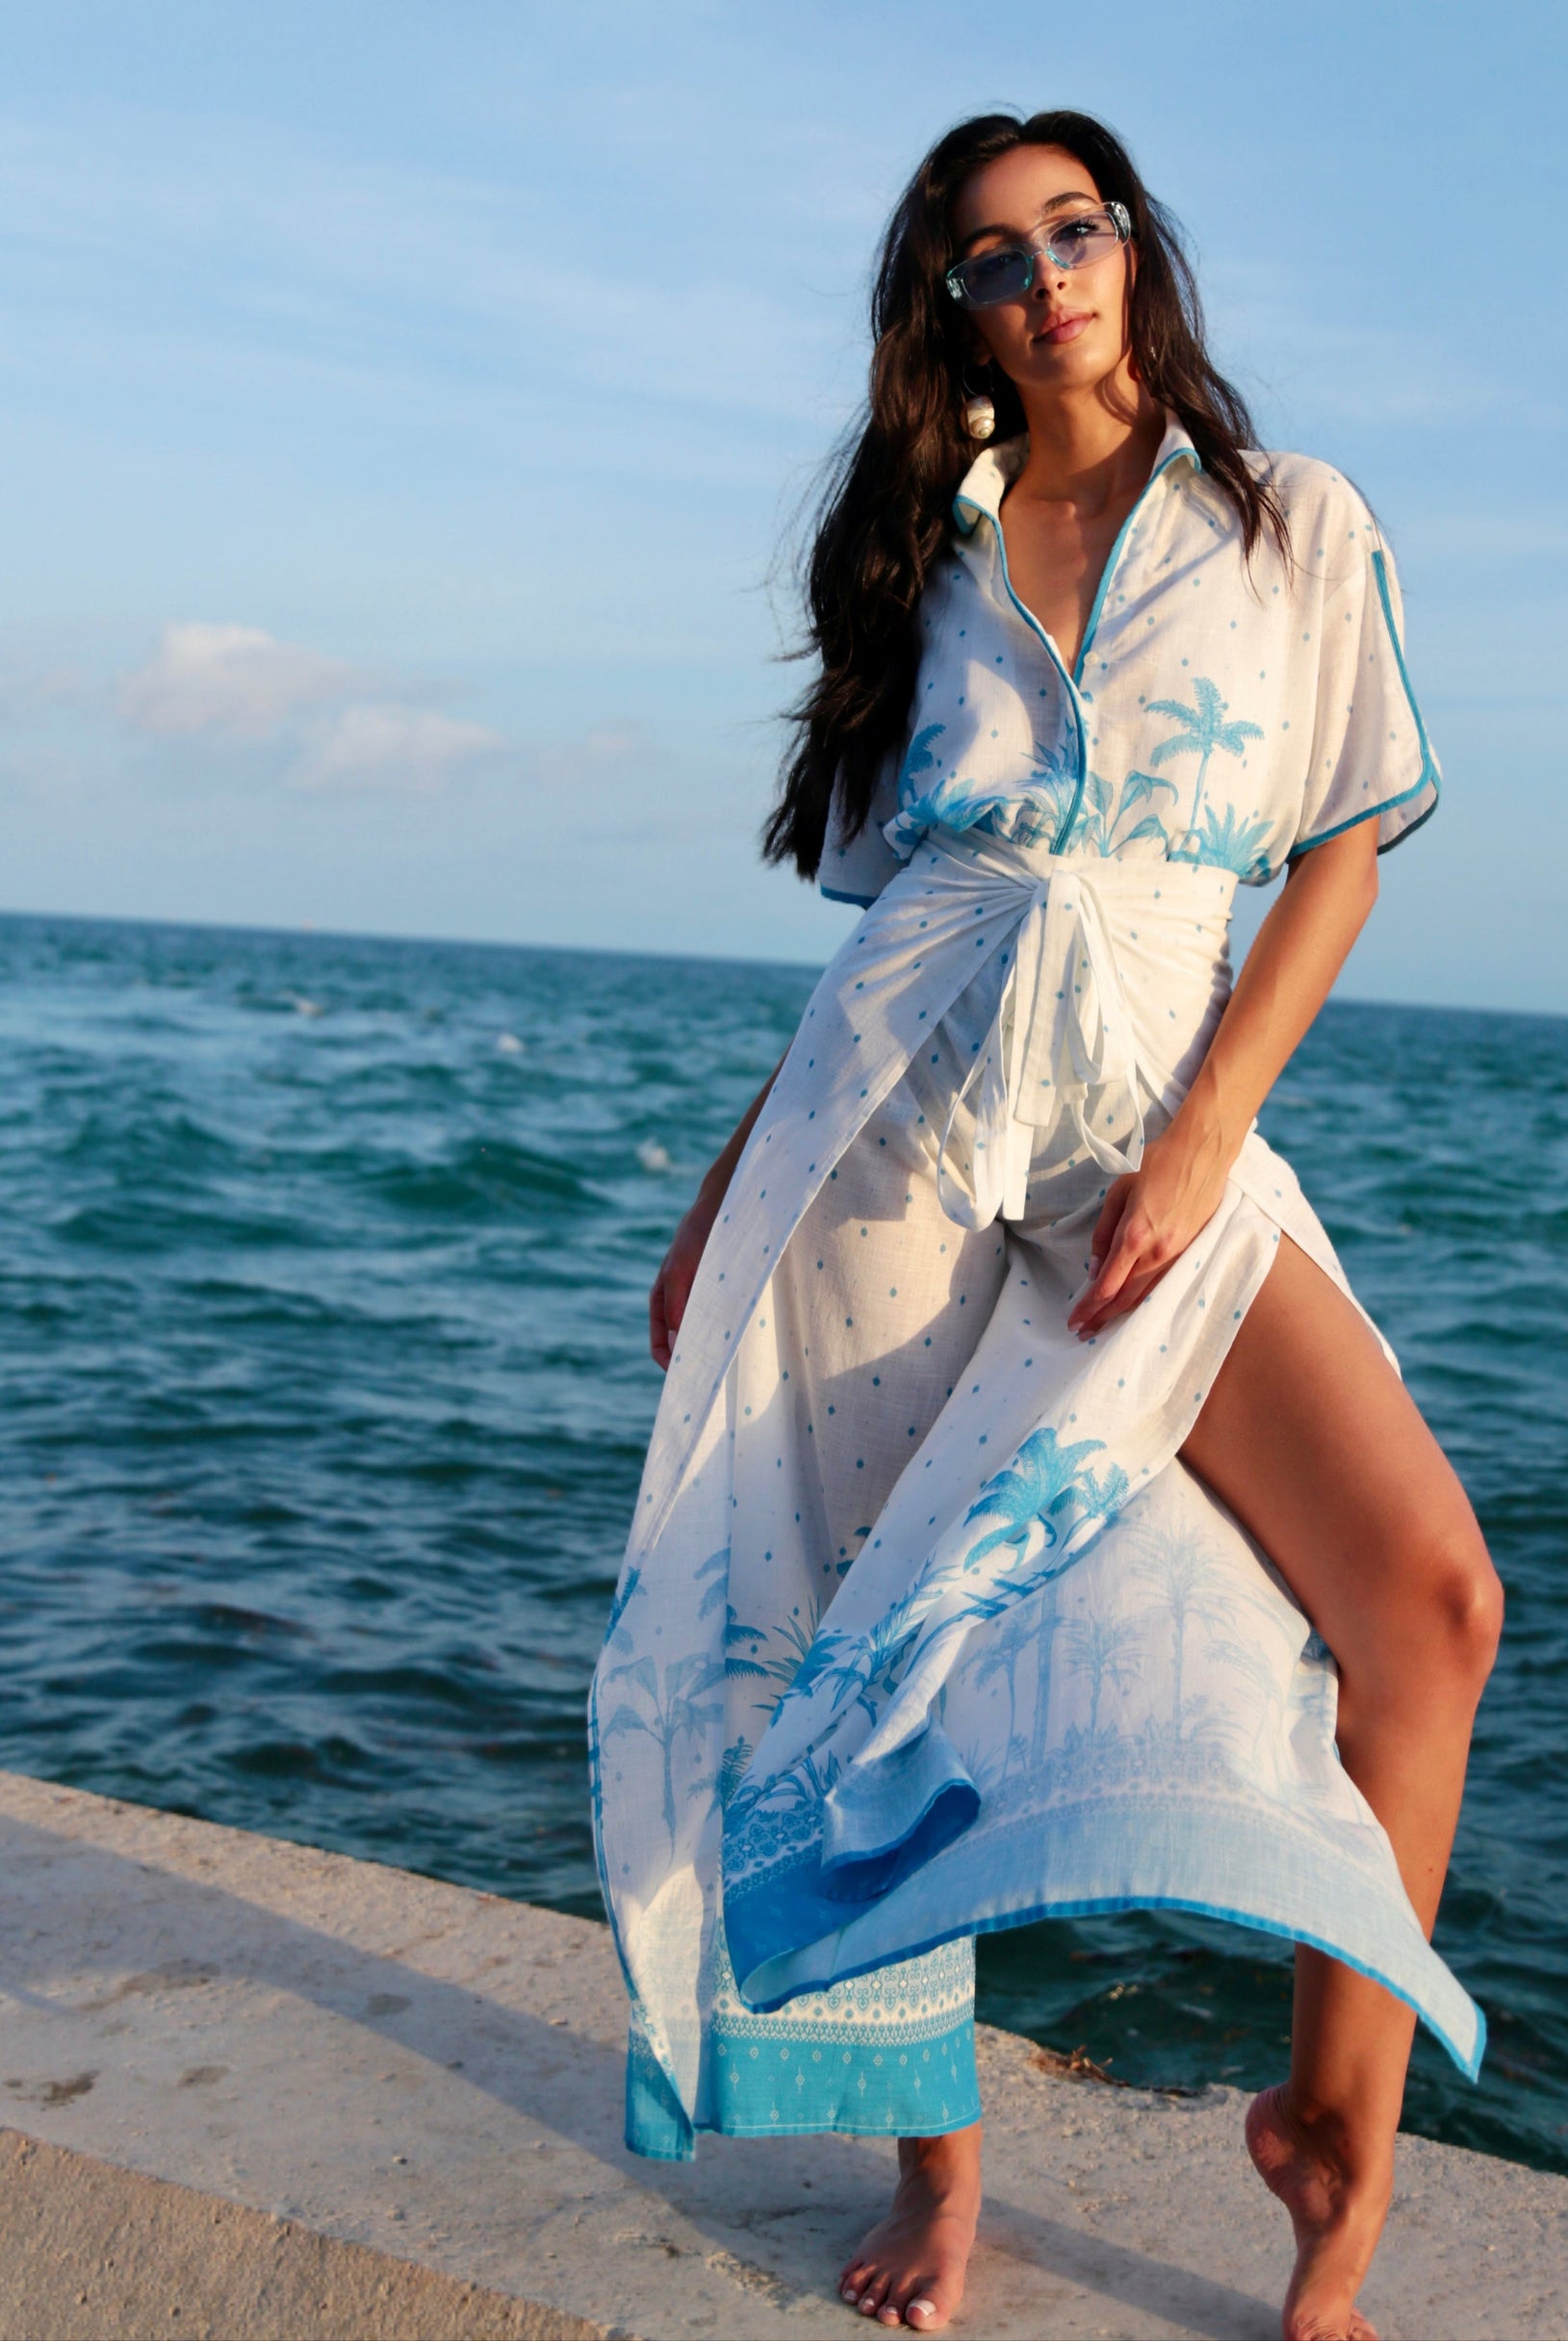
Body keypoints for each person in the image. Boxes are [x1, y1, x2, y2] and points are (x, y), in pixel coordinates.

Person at [591, 109, 1502, 2341]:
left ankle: (1329, 2138)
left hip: (1145, 1136)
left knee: (1429, 1599)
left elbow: (1341, 856)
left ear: (1129, 247)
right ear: (953, 307)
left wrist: (1208, 1132)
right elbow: (892, 916)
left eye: (1071, 228)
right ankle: (945, 2167)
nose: (1044, 275)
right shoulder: (935, 558)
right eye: (991, 255)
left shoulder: (1288, 525)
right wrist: (732, 1194)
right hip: (887, 1131)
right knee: (868, 1649)